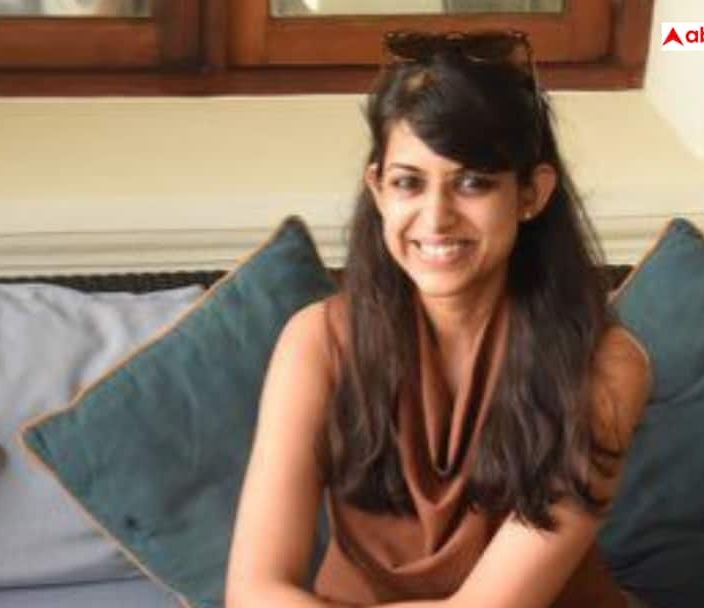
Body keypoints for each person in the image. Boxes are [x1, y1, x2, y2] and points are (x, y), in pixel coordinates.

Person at [225, 29, 652, 608]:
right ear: (377, 190)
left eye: (473, 182)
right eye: (408, 182)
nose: (436, 217)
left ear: (532, 192)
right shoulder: (315, 341)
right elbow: (253, 591)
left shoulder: (606, 366)